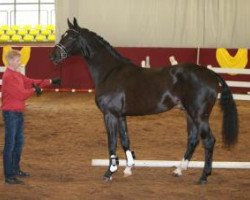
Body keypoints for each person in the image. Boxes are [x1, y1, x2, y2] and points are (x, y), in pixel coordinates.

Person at [1, 49, 61, 184]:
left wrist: (50, 81)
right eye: (18, 60)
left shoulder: (16, 74)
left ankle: (15, 170)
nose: (20, 62)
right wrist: (35, 90)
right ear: (10, 61)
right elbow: (22, 94)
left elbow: (31, 81)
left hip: (17, 113)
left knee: (18, 143)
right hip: (11, 114)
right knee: (10, 145)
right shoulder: (9, 77)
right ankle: (9, 176)